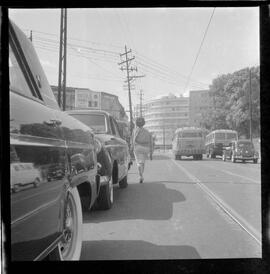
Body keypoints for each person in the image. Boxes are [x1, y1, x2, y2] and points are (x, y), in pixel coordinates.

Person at [132, 117, 153, 183]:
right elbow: (151, 142)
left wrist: (131, 147)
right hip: (146, 148)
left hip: (137, 147)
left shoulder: (135, 130)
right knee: (142, 162)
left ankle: (140, 175)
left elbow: (133, 139)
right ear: (144, 123)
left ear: (136, 123)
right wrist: (151, 153)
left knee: (138, 162)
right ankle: (141, 175)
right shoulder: (147, 132)